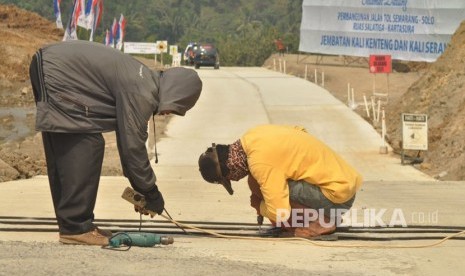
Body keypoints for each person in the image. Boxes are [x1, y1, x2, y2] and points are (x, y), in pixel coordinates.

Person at [29, 40, 202, 245]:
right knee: (88, 143)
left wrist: (141, 188)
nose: (167, 112)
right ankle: (76, 227)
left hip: (52, 65)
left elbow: (125, 142)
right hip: (59, 71)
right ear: (175, 93)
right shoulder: (142, 92)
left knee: (66, 142)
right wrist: (151, 192)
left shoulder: (144, 79)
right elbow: (132, 149)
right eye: (175, 107)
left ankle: (72, 225)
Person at [198, 124, 363, 238]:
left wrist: (259, 206)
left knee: (260, 188)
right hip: (343, 184)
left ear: (230, 168)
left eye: (230, 178)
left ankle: (322, 222)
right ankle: (322, 216)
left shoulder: (259, 162)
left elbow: (279, 212)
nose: (235, 179)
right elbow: (300, 130)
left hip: (337, 196)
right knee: (259, 183)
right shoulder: (253, 136)